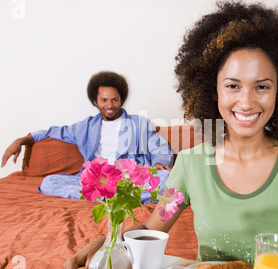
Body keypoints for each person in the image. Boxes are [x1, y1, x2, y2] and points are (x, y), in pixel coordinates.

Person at [65, 0, 278, 269]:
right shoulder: (191, 163)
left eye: (262, 87)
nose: (246, 102)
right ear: (213, 91)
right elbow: (150, 229)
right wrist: (104, 244)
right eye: (233, 86)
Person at [1, 71, 173, 203]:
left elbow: (158, 146)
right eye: (104, 100)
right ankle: (109, 197)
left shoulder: (139, 123)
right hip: (97, 181)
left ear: (121, 100)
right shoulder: (84, 127)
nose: (110, 105)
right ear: (95, 101)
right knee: (49, 182)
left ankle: (106, 197)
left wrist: (160, 162)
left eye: (114, 100)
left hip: (128, 180)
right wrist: (21, 140)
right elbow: (52, 131)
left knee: (166, 180)